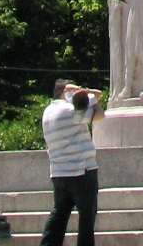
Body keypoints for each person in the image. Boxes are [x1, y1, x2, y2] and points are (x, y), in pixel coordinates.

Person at [39, 77, 102, 246]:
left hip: (59, 173)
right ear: (65, 92)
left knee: (59, 215)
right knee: (87, 219)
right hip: (82, 171)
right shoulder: (70, 110)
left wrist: (83, 92)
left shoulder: (47, 112)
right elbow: (99, 114)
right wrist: (88, 96)